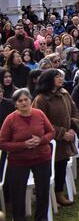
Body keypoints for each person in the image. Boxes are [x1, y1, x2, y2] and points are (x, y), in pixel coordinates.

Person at [0, 88, 55, 221]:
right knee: (17, 193)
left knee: (42, 191)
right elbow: (2, 143)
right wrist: (23, 145)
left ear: (31, 100)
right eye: (20, 101)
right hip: (18, 161)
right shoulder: (10, 119)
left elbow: (51, 132)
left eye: (26, 99)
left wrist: (41, 140)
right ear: (15, 104)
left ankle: (41, 218)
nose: (24, 103)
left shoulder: (39, 113)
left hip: (42, 157)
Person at [32, 68, 79, 208]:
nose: (61, 79)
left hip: (66, 140)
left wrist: (72, 129)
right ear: (49, 80)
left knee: (61, 166)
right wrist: (61, 133)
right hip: (50, 142)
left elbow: (74, 111)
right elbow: (40, 122)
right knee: (49, 170)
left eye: (61, 76)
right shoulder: (40, 99)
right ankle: (48, 196)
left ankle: (59, 193)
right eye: (57, 77)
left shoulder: (65, 93)